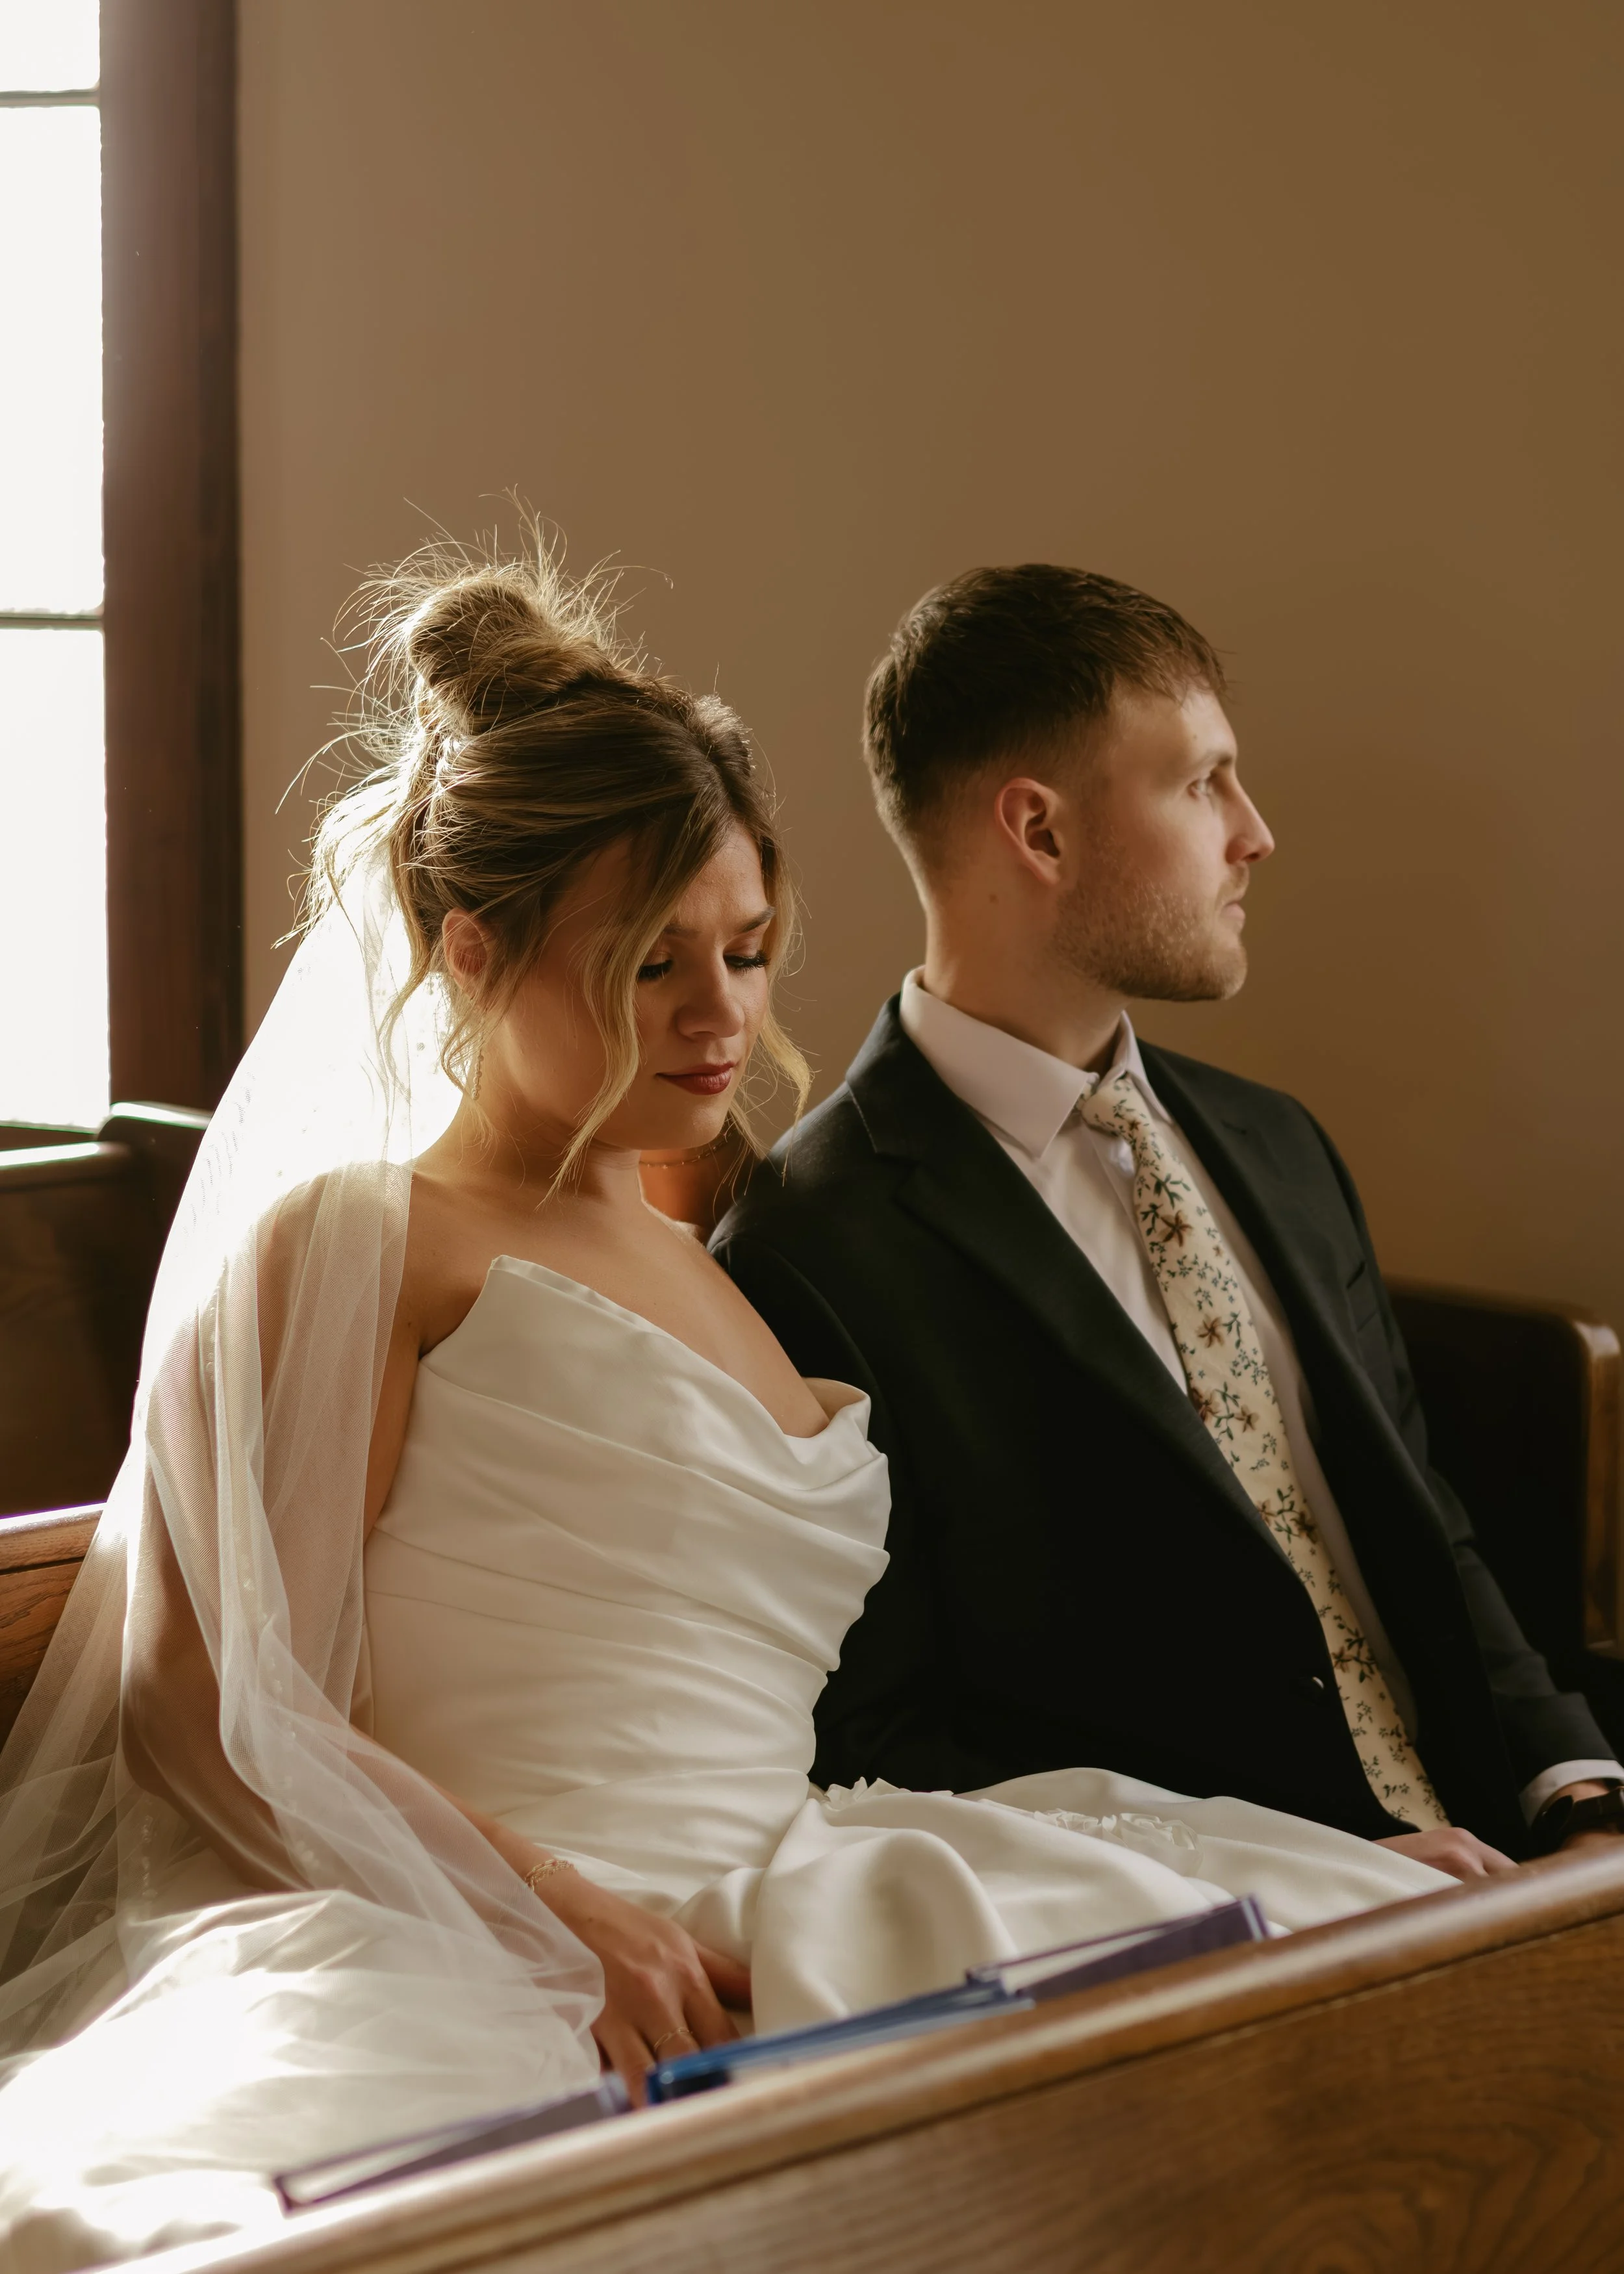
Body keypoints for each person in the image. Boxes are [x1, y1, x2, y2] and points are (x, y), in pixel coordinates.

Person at [0, 547, 1450, 2270]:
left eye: (747, 953)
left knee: (1391, 1956)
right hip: (496, 1930)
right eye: (646, 965)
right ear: (471, 951)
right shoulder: (364, 1241)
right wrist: (547, 1910)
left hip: (792, 1871)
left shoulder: (716, 1244)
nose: (718, 1016)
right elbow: (211, 1703)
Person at [713, 563, 1624, 1878]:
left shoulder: (1277, 1143)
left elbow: (1427, 1534)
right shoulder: (809, 1246)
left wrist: (1575, 1796)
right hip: (1225, 1944)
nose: (1252, 832)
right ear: (1037, 832)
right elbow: (886, 1746)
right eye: (1200, 782)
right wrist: (1317, 1878)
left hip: (1519, 1862)